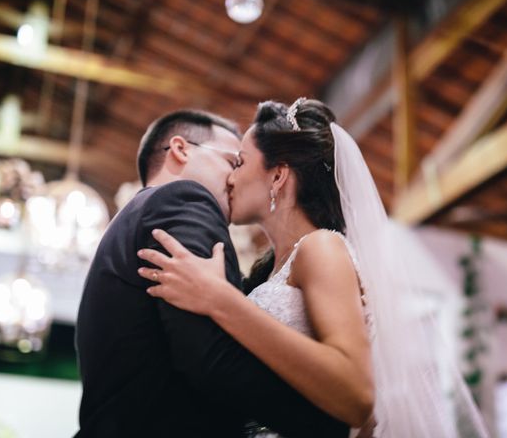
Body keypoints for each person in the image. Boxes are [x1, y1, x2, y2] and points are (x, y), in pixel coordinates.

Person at [138, 99, 489, 437]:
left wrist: (221, 301)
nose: (230, 179)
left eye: (240, 163)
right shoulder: (269, 269)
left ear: (278, 176)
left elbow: (357, 397)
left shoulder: (322, 247)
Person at [74, 109, 349, 437]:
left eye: (239, 165)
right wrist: (327, 425)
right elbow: (211, 356)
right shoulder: (183, 200)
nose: (234, 178)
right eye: (233, 161)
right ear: (181, 149)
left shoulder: (132, 218)